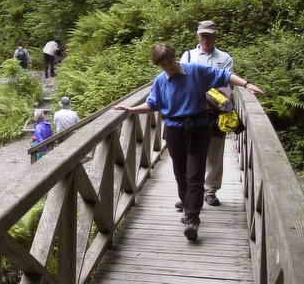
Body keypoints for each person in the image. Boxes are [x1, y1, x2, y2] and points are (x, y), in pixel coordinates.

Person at [113, 43, 264, 241]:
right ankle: (187, 207)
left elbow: (224, 76)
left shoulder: (195, 71)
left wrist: (246, 84)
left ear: (175, 57)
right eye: (163, 65)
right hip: (174, 130)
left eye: (169, 62)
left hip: (199, 128)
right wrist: (132, 110)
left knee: (195, 173)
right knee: (180, 173)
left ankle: (192, 219)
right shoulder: (160, 81)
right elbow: (153, 104)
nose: (168, 67)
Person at [180, 20, 233, 207]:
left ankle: (210, 190)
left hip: (215, 111)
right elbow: (181, 81)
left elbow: (225, 83)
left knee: (215, 151)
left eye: (209, 35)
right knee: (190, 151)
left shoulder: (225, 58)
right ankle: (193, 190)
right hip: (191, 111)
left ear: (216, 35)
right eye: (203, 35)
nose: (206, 38)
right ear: (197, 36)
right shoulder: (188, 56)